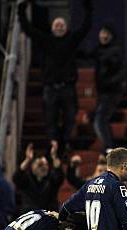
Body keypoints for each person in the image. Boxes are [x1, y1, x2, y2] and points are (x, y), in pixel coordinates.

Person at [18, 0, 92, 151]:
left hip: (67, 87)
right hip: (50, 87)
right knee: (50, 119)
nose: (59, 27)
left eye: (62, 25)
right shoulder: (46, 40)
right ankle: (54, 143)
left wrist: (87, 7)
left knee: (70, 117)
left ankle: (65, 141)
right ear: (52, 28)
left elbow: (86, 27)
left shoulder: (72, 40)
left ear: (66, 27)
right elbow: (28, 29)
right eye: (56, 25)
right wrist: (22, 9)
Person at [90, 24, 125, 151]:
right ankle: (109, 146)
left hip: (111, 92)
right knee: (102, 120)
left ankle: (109, 148)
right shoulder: (98, 49)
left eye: (107, 34)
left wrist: (110, 84)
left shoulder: (116, 51)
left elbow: (120, 72)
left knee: (99, 121)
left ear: (111, 36)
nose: (104, 36)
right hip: (102, 92)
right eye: (102, 33)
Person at [13, 142, 64, 213]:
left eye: (46, 165)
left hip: (49, 217)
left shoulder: (51, 179)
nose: (44, 167)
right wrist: (27, 160)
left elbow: (59, 176)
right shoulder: (27, 180)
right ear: (32, 167)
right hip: (30, 216)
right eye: (40, 165)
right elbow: (17, 177)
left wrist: (54, 156)